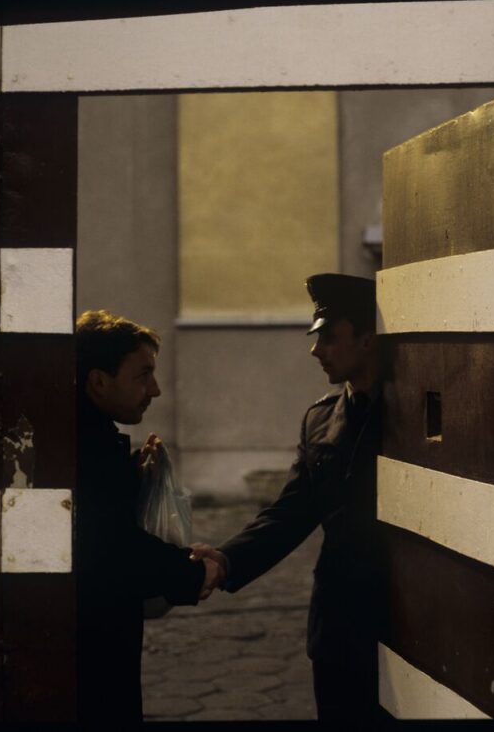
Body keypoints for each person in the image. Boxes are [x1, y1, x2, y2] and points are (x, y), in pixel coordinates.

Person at [190, 273, 386, 722]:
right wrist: (226, 559)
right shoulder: (319, 420)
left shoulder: (412, 415)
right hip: (337, 625)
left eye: (329, 338)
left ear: (367, 340)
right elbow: (292, 511)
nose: (316, 350)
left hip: (402, 618)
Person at [74, 309, 224, 725]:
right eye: (143, 375)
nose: (155, 389)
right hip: (91, 646)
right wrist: (192, 573)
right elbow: (111, 549)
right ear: (99, 381)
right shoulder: (85, 446)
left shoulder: (89, 433)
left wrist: (132, 480)